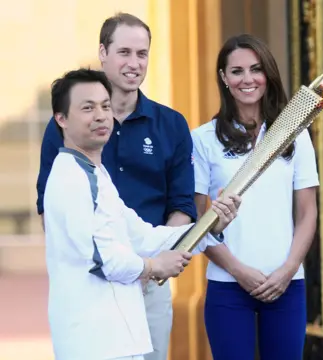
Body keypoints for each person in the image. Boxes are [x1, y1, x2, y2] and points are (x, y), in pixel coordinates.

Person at [44, 68, 241, 360]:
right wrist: (153, 267)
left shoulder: (96, 175)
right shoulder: (71, 179)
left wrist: (211, 226)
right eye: (87, 108)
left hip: (118, 337)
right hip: (92, 341)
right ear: (61, 119)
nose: (100, 116)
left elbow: (144, 236)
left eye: (105, 106)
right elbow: (102, 257)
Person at [35, 13, 195, 360]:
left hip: (149, 283)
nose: (134, 63)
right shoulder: (68, 143)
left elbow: (177, 207)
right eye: (124, 52)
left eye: (142, 54)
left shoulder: (169, 125)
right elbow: (56, 214)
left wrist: (152, 269)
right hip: (94, 291)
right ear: (103, 53)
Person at [190, 34, 319, 360]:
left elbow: (307, 213)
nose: (247, 79)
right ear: (223, 77)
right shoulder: (203, 139)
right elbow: (198, 220)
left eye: (255, 69)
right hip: (228, 286)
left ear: (268, 74)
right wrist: (238, 270)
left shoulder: (295, 134)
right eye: (236, 71)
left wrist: (288, 269)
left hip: (286, 285)